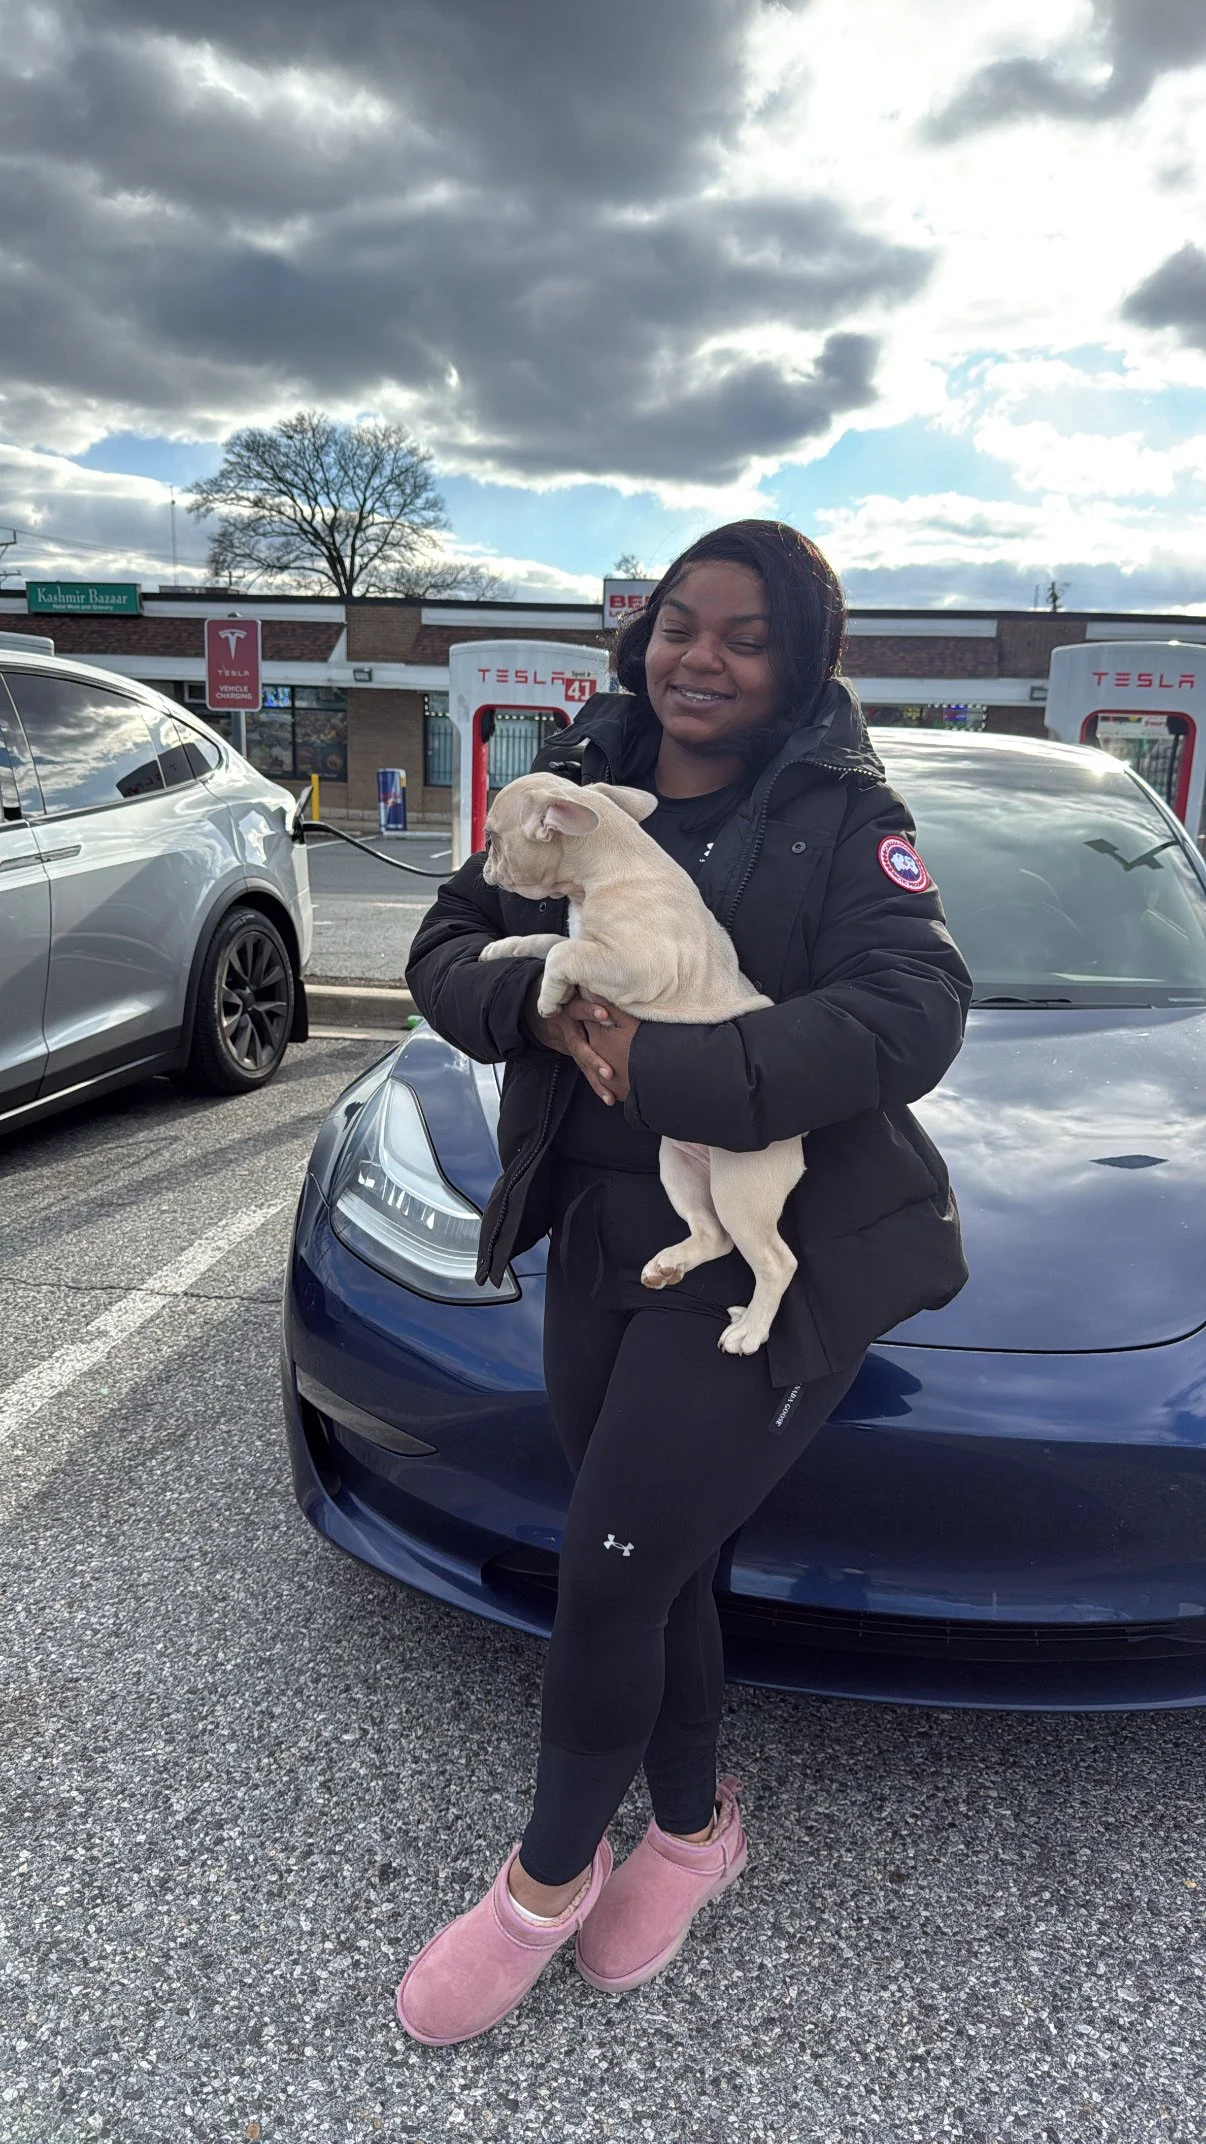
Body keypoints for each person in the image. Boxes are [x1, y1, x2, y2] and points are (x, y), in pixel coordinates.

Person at [398, 519, 971, 2045]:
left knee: (607, 1570)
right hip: (599, 1239)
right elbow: (449, 942)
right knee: (659, 1563)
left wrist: (682, 1065)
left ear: (799, 662)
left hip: (759, 1240)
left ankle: (538, 1887)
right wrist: (522, 1006)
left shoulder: (845, 815)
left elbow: (913, 1007)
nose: (696, 657)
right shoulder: (574, 783)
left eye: (744, 635)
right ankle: (694, 1828)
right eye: (676, 623)